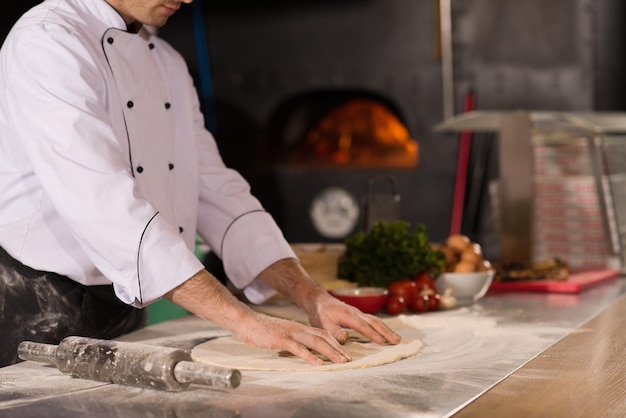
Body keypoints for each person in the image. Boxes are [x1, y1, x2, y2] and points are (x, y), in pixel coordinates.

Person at [0, 0, 400, 368]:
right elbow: (103, 206)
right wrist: (245, 321)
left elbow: (216, 190)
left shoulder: (166, 63)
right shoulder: (47, 41)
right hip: (34, 309)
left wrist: (310, 295)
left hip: (124, 310)